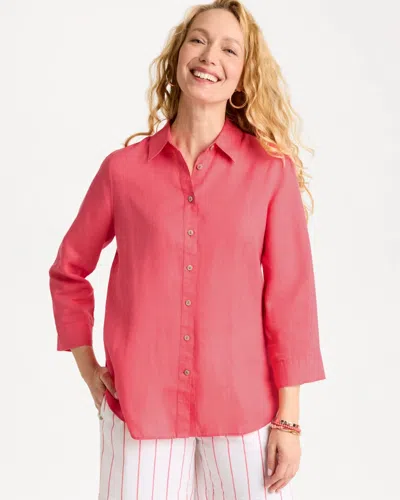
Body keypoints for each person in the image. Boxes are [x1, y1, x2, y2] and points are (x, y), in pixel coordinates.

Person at [48, 1, 326, 498]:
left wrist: (289, 421)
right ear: (178, 55)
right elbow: (69, 270)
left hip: (243, 415)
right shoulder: (122, 172)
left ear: (242, 77)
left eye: (229, 49)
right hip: (140, 412)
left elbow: (291, 297)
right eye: (198, 39)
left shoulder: (269, 172)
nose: (210, 56)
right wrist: (89, 370)